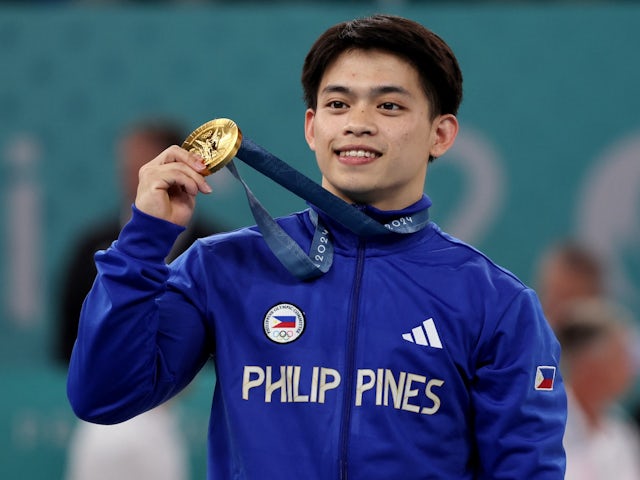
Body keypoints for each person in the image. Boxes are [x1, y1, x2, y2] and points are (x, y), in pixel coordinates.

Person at [67, 14, 567, 479]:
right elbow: (103, 396)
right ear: (312, 127)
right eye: (338, 103)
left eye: (389, 105)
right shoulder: (223, 267)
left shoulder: (496, 303)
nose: (358, 122)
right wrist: (143, 240)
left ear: (441, 134)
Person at [59, 119, 225, 480]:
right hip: (112, 424)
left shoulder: (218, 250)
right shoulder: (92, 244)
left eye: (146, 159)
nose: (135, 173)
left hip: (171, 420)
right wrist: (146, 235)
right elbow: (77, 358)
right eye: (128, 163)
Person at [555, 298, 640, 480]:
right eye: (619, 356)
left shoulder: (620, 434)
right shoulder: (549, 425)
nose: (629, 368)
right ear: (590, 365)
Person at [535, 239, 606, 328]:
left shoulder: (620, 339)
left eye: (570, 301)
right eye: (554, 297)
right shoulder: (527, 334)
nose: (560, 312)